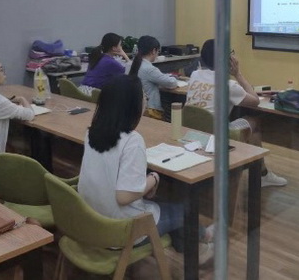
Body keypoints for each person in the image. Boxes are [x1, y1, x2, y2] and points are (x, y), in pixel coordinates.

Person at [78, 75, 213, 262]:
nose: (146, 99)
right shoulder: (132, 141)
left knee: (163, 204)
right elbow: (124, 196)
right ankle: (204, 238)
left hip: (92, 220)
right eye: (143, 96)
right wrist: (153, 179)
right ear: (131, 105)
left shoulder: (91, 132)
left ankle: (194, 247)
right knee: (186, 209)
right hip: (121, 230)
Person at [186, 39, 287, 188]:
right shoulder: (229, 85)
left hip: (192, 133)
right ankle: (262, 174)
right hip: (217, 135)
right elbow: (255, 100)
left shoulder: (195, 75)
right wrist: (238, 74)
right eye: (231, 53)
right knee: (254, 122)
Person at [128, 35, 179, 120]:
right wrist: (174, 78)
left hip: (133, 107)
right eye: (158, 51)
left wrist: (164, 76)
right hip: (149, 110)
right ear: (154, 51)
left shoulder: (130, 64)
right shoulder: (149, 69)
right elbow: (171, 83)